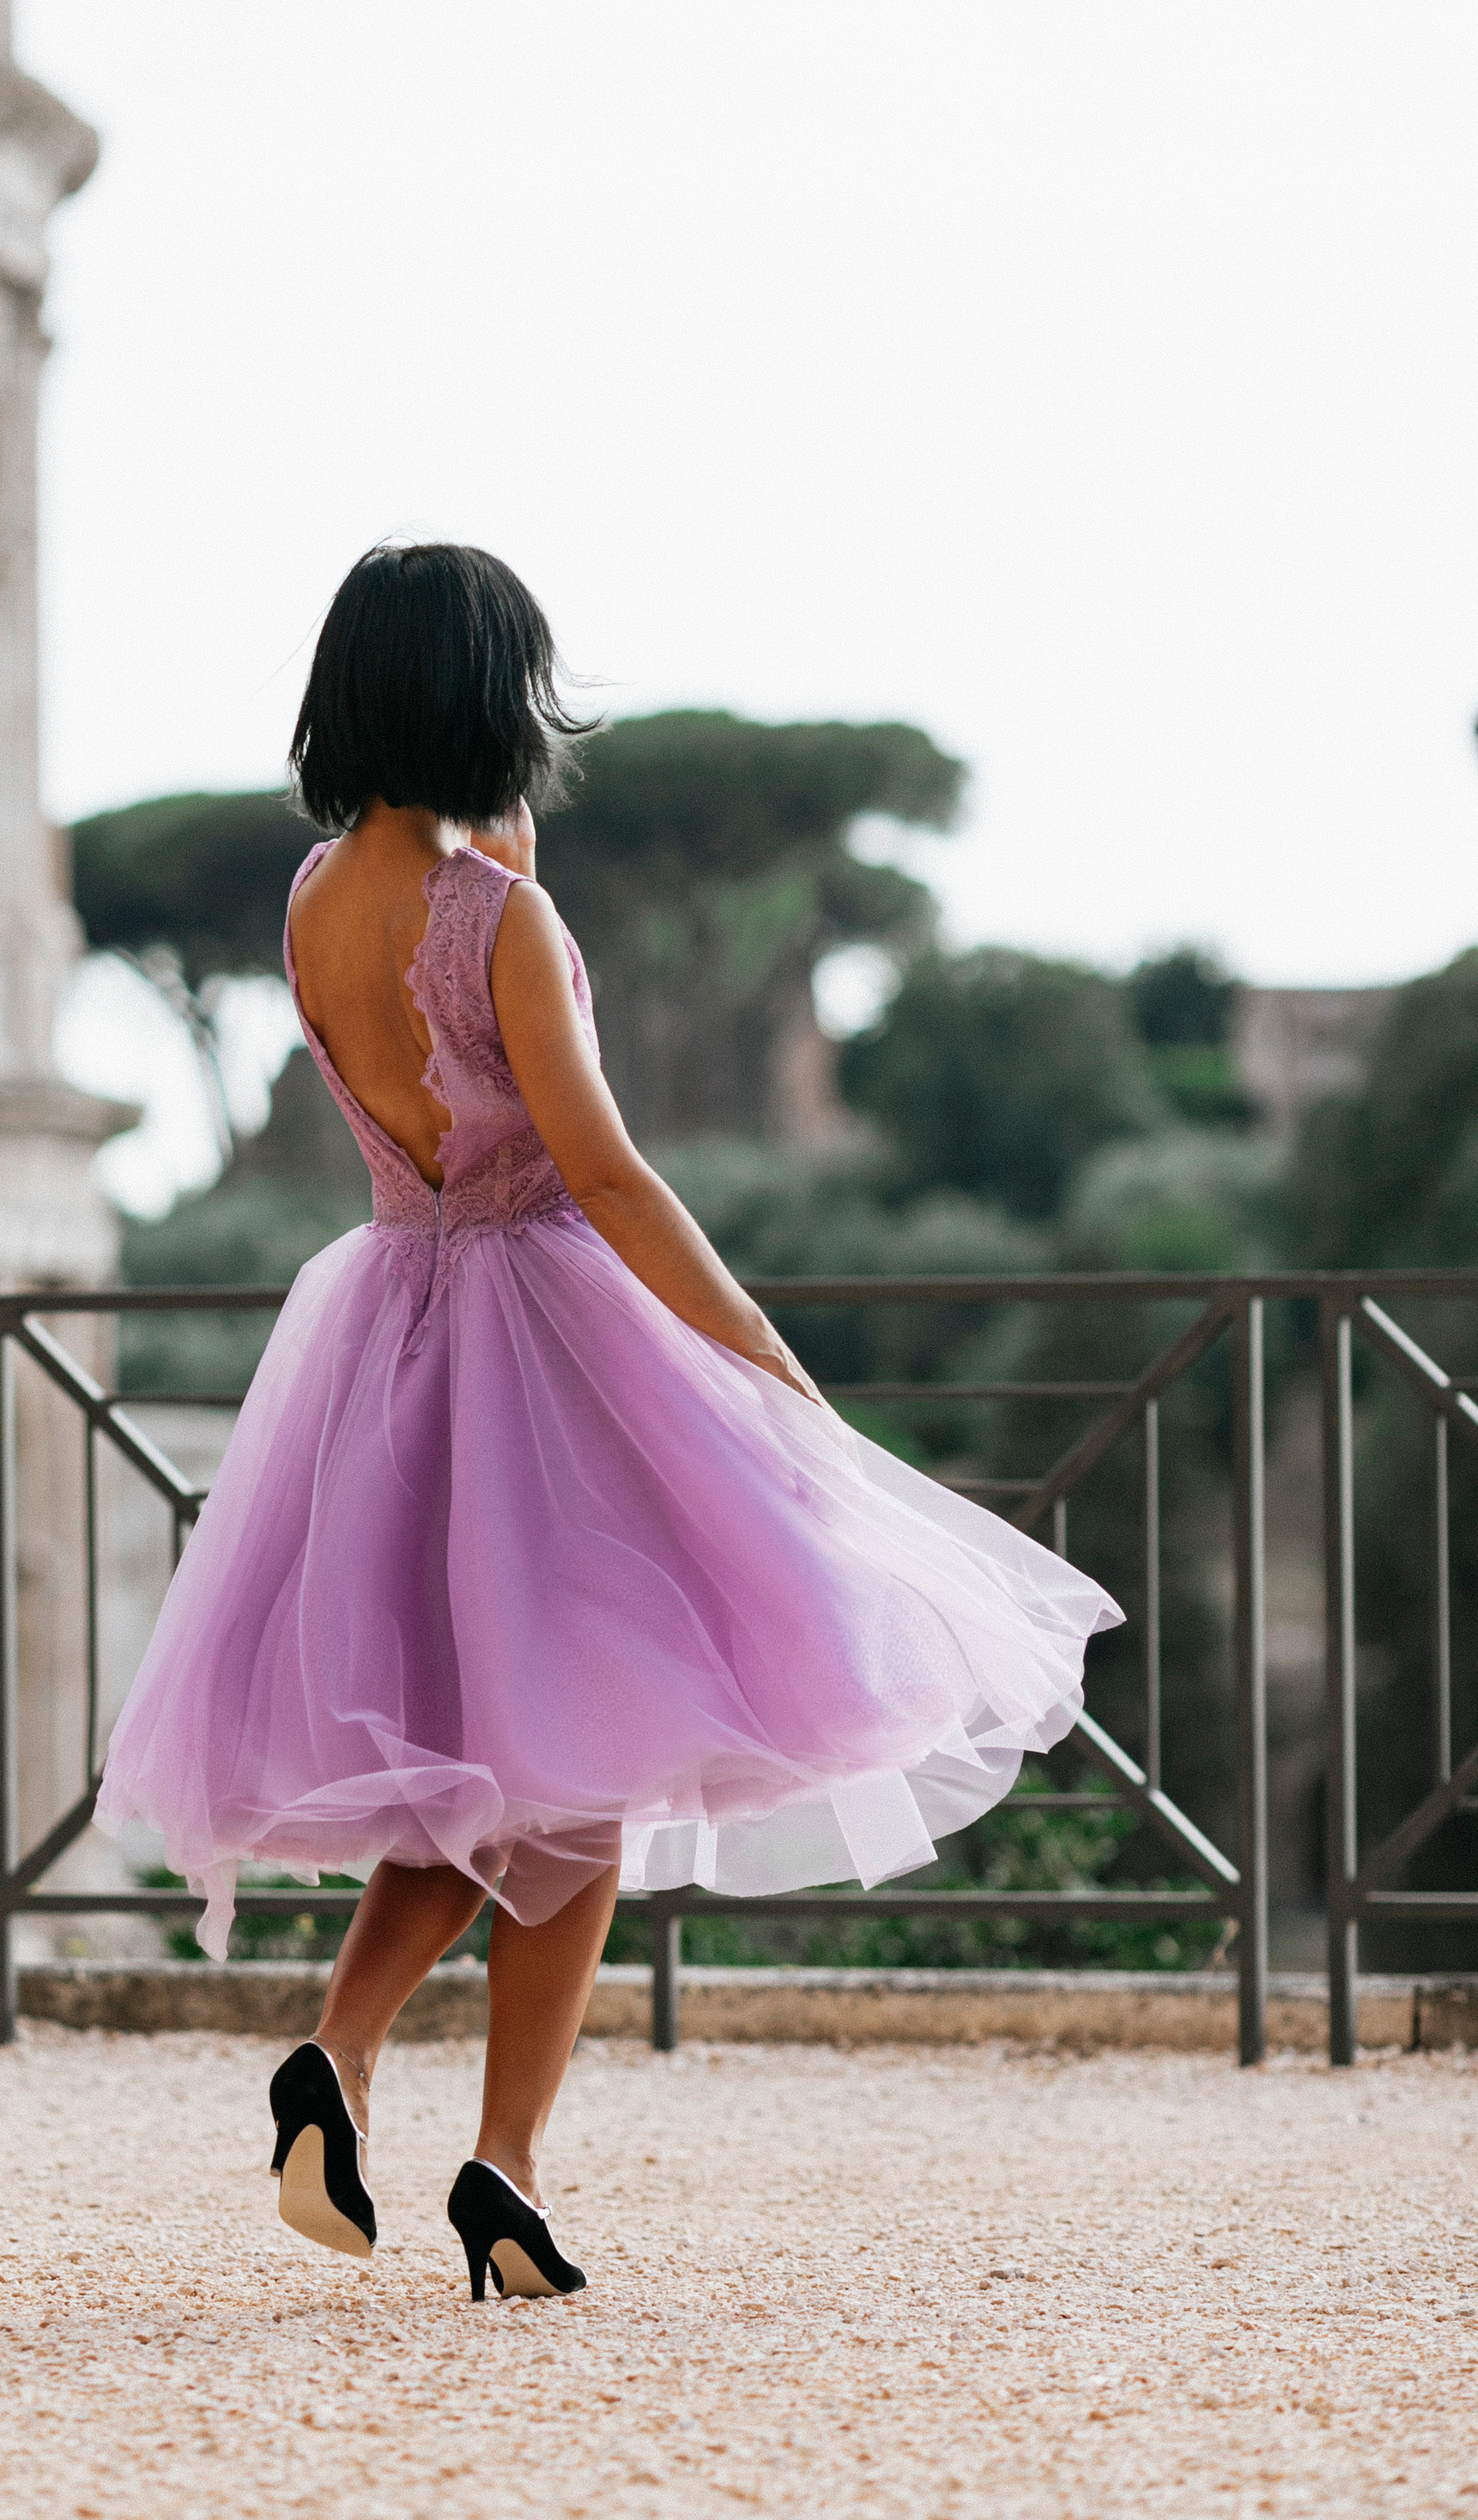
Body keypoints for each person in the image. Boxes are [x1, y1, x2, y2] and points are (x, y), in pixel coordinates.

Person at [97, 543, 1118, 2303]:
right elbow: (605, 1170)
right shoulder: (501, 919)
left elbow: (430, 1081)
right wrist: (758, 1365)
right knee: (571, 1774)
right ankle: (498, 2173)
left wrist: (507, 879)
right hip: (549, 1349)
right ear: (490, 695)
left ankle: (333, 2062)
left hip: (390, 1331)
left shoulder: (310, 899)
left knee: (475, 1764)